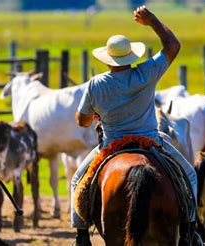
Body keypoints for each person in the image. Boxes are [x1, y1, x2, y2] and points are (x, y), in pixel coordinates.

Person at [72, 5, 198, 245]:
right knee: (189, 175)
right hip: (151, 141)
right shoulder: (146, 73)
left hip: (111, 146)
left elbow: (81, 120)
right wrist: (153, 22)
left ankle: (80, 236)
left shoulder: (96, 84)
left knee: (78, 181)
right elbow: (173, 46)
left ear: (108, 59)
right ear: (131, 57)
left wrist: (96, 115)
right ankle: (192, 233)